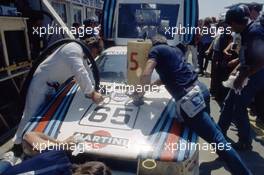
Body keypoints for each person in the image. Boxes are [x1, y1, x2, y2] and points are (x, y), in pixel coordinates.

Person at [135, 34, 252, 175]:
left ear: (153, 44)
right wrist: (152, 86)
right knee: (213, 128)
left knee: (216, 138)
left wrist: (140, 93)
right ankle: (224, 153)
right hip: (201, 89)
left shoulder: (155, 51)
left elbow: (146, 73)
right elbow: (170, 75)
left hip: (190, 99)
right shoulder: (174, 50)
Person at [13, 37, 104, 145]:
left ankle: (35, 142)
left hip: (51, 86)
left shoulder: (81, 54)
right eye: (97, 53)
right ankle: (18, 143)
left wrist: (95, 86)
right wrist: (92, 93)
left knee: (45, 116)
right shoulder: (73, 50)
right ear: (93, 49)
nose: (95, 56)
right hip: (40, 84)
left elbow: (88, 71)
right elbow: (81, 72)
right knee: (30, 114)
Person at [218, 5, 264, 150]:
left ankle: (245, 142)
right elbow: (247, 56)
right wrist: (237, 70)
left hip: (255, 76)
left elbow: (261, 60)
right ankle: (219, 131)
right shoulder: (246, 31)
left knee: (239, 107)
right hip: (247, 73)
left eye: (230, 26)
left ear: (235, 22)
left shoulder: (254, 32)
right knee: (229, 102)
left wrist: (241, 77)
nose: (230, 29)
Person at [1, 132, 111, 175]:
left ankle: (10, 160)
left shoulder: (56, 154)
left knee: (10, 160)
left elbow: (28, 136)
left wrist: (60, 144)